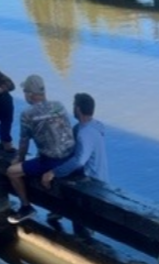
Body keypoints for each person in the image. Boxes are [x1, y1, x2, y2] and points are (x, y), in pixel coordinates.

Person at [6, 75, 76, 223]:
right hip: (70, 156)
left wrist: (19, 159)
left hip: (52, 161)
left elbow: (24, 143)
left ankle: (26, 208)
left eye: (25, 91)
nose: (24, 95)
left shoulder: (27, 114)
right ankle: (55, 211)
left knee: (12, 172)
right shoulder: (59, 105)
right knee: (42, 154)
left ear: (30, 94)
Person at [41, 93, 109, 234]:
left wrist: (53, 172)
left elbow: (79, 161)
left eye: (73, 106)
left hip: (91, 183)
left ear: (78, 109)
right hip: (101, 177)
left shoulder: (84, 133)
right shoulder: (94, 126)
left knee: (59, 177)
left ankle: (77, 232)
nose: (72, 108)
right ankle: (59, 212)